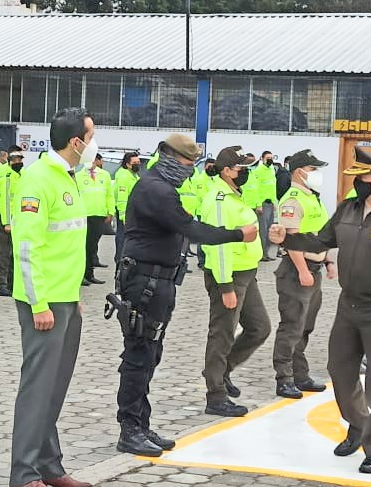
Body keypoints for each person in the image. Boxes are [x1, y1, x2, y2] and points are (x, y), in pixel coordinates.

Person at [268, 147, 371, 475]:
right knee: (339, 371)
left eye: (364, 177)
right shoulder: (347, 209)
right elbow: (320, 241)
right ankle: (358, 423)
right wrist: (288, 238)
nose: (358, 181)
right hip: (349, 305)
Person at [114, 136, 255, 457]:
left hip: (157, 282)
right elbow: (192, 229)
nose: (190, 172)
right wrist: (237, 235)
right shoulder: (156, 190)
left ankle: (141, 423)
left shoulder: (159, 185)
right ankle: (130, 429)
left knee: (150, 353)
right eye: (187, 165)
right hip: (145, 282)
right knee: (139, 355)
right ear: (169, 159)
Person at [10, 107, 94, 487]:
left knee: (55, 387)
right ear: (76, 142)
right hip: (43, 302)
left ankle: (50, 466)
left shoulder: (68, 177)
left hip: (65, 297)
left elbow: (66, 245)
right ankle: (24, 474)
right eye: (90, 137)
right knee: (38, 388)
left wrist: (73, 294)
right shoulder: (37, 179)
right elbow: (27, 246)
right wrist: (38, 301)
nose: (94, 145)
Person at [199, 146, 272, 418]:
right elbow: (216, 245)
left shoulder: (234, 194)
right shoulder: (218, 199)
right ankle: (215, 394)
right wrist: (226, 286)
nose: (246, 173)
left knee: (259, 327)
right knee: (222, 333)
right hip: (228, 275)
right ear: (227, 171)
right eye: (241, 169)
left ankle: (222, 370)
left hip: (247, 271)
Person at [272, 149, 333, 399]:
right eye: (312, 169)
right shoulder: (292, 200)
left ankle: (300, 374)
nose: (316, 174)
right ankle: (284, 378)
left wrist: (327, 260)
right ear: (300, 172)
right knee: (292, 326)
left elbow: (318, 234)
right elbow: (291, 239)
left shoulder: (312, 198)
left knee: (305, 326)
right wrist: (302, 270)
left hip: (314, 268)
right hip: (297, 271)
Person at [76, 153, 114, 285]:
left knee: (92, 246)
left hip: (99, 215)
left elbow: (109, 195)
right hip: (83, 215)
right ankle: (81, 275)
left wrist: (110, 211)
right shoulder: (78, 176)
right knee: (83, 246)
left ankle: (89, 273)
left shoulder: (105, 175)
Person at [0, 148, 23, 297]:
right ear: (10, 162)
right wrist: (6, 222)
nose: (19, 162)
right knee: (4, 254)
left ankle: (12, 283)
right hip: (7, 220)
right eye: (16, 160)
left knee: (14, 254)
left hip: (18, 220)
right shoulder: (7, 177)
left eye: (20, 160)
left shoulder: (21, 176)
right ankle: (1, 284)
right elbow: (5, 201)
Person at [113, 151, 140, 265]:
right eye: (135, 162)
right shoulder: (124, 177)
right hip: (125, 214)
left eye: (138, 162)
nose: (138, 164)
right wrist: (124, 216)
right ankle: (120, 263)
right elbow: (122, 199)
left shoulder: (133, 176)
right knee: (122, 239)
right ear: (128, 164)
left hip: (133, 213)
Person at [251, 151, 278, 261]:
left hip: (270, 203)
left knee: (269, 230)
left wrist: (274, 202)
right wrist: (258, 205)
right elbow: (255, 189)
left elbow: (272, 187)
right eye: (268, 158)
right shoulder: (258, 171)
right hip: (262, 204)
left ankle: (266, 253)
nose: (270, 160)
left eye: (271, 158)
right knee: (263, 230)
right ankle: (262, 254)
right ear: (262, 159)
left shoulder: (271, 170)